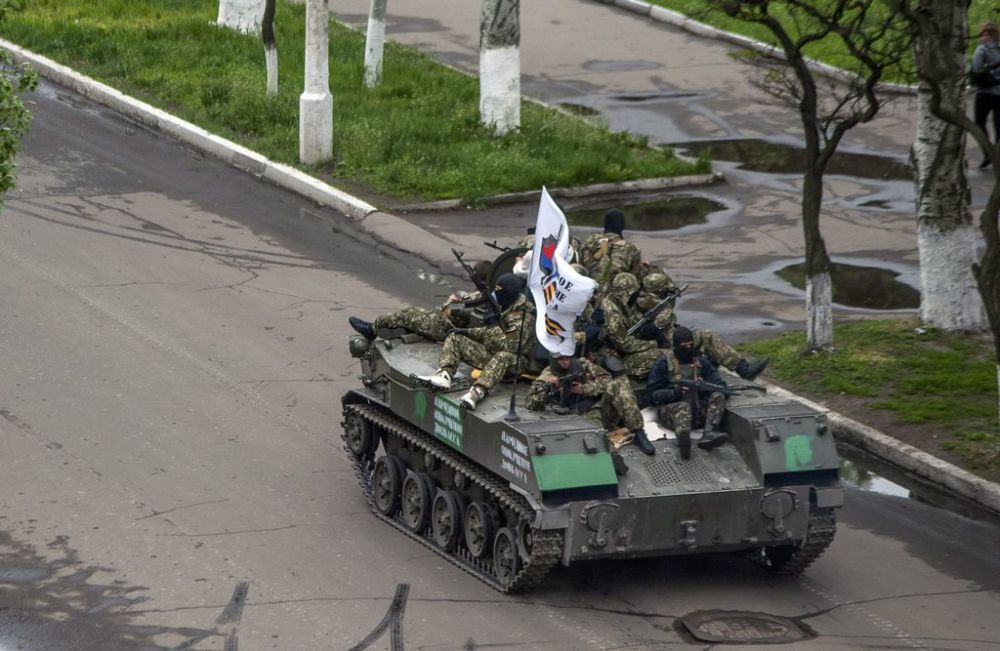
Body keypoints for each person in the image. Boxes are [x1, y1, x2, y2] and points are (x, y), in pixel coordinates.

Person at [418, 274, 535, 410]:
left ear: (509, 293)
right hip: (492, 356)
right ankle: (444, 374)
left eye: (500, 290)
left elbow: (508, 346)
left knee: (503, 356)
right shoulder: (505, 306)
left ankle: (477, 392)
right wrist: (467, 332)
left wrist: (491, 327)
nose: (496, 293)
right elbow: (490, 334)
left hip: (514, 364)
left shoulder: (523, 317)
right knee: (456, 337)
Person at [637, 271, 769, 381]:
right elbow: (664, 313)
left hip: (673, 341)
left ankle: (742, 368)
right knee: (706, 337)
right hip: (669, 347)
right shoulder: (650, 303)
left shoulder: (650, 299)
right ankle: (743, 369)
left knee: (706, 337)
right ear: (659, 289)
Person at [525, 352, 655, 455]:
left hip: (597, 408)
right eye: (561, 359)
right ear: (554, 360)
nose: (566, 361)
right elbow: (530, 403)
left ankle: (638, 432)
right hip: (575, 420)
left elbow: (607, 379)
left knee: (619, 384)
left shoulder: (581, 364)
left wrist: (585, 389)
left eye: (568, 358)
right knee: (597, 444)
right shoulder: (547, 375)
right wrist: (548, 388)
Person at [349, 261, 492, 342]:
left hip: (441, 329)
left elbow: (449, 311)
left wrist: (450, 301)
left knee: (407, 312)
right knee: (419, 314)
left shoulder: (476, 299)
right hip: (450, 327)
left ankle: (372, 329)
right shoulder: (491, 295)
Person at [646, 326, 729, 459]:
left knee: (718, 396)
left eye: (691, 345)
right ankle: (684, 441)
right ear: (676, 346)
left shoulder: (701, 363)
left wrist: (704, 388)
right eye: (684, 345)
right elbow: (651, 396)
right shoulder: (663, 363)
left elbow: (721, 387)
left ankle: (709, 433)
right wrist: (675, 393)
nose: (688, 349)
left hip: (697, 410)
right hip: (672, 413)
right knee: (683, 407)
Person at [579, 209, 642, 286]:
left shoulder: (591, 241)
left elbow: (580, 263)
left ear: (605, 223)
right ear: (623, 225)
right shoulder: (631, 248)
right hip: (616, 293)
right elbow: (635, 276)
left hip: (589, 289)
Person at [972, 22, 1000, 169]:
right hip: (999, 93)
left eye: (984, 34)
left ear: (991, 35)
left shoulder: (981, 50)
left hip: (984, 93)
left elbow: (976, 70)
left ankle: (988, 153)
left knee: (979, 124)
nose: (982, 37)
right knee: (999, 126)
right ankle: (997, 156)